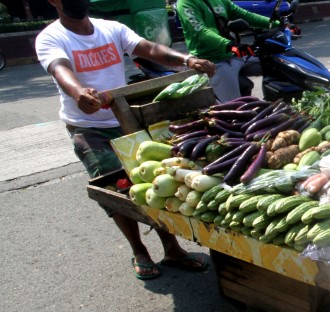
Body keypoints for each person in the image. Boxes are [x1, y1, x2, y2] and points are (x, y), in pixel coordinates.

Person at [36, 0, 217, 280]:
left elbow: (150, 49)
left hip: (126, 120)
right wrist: (78, 93)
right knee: (116, 191)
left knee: (155, 181)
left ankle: (171, 248)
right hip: (89, 127)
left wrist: (186, 60)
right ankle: (139, 250)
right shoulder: (51, 37)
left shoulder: (111, 29)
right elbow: (59, 69)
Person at [174, 0, 275, 102]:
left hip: (233, 56)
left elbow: (246, 15)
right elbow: (200, 32)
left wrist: (276, 24)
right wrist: (230, 45)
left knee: (276, 63)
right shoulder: (186, 2)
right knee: (236, 108)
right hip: (213, 62)